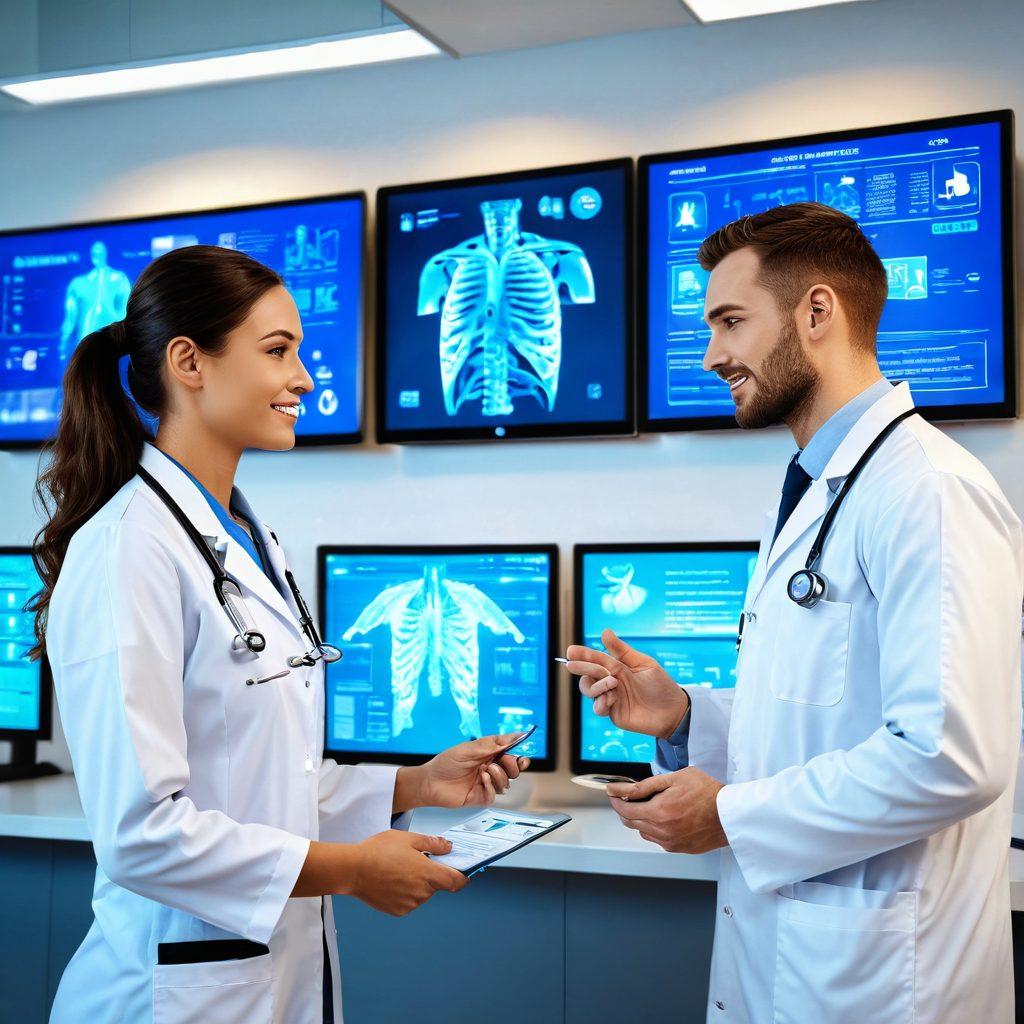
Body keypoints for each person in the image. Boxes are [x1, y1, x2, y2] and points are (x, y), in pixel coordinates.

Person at [29, 244, 529, 1023]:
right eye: (279, 351)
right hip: (170, 995)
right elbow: (142, 835)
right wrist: (352, 871)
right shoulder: (131, 546)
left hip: (265, 981)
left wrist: (414, 784)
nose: (303, 378)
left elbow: (263, 776)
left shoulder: (245, 538)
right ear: (189, 363)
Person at [568, 202, 1023, 1023]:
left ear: (819, 311)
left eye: (731, 322)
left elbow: (951, 757)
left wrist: (730, 815)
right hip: (804, 960)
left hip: (885, 981)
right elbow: (829, 714)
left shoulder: (928, 491)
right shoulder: (826, 489)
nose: (712, 356)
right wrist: (685, 714)